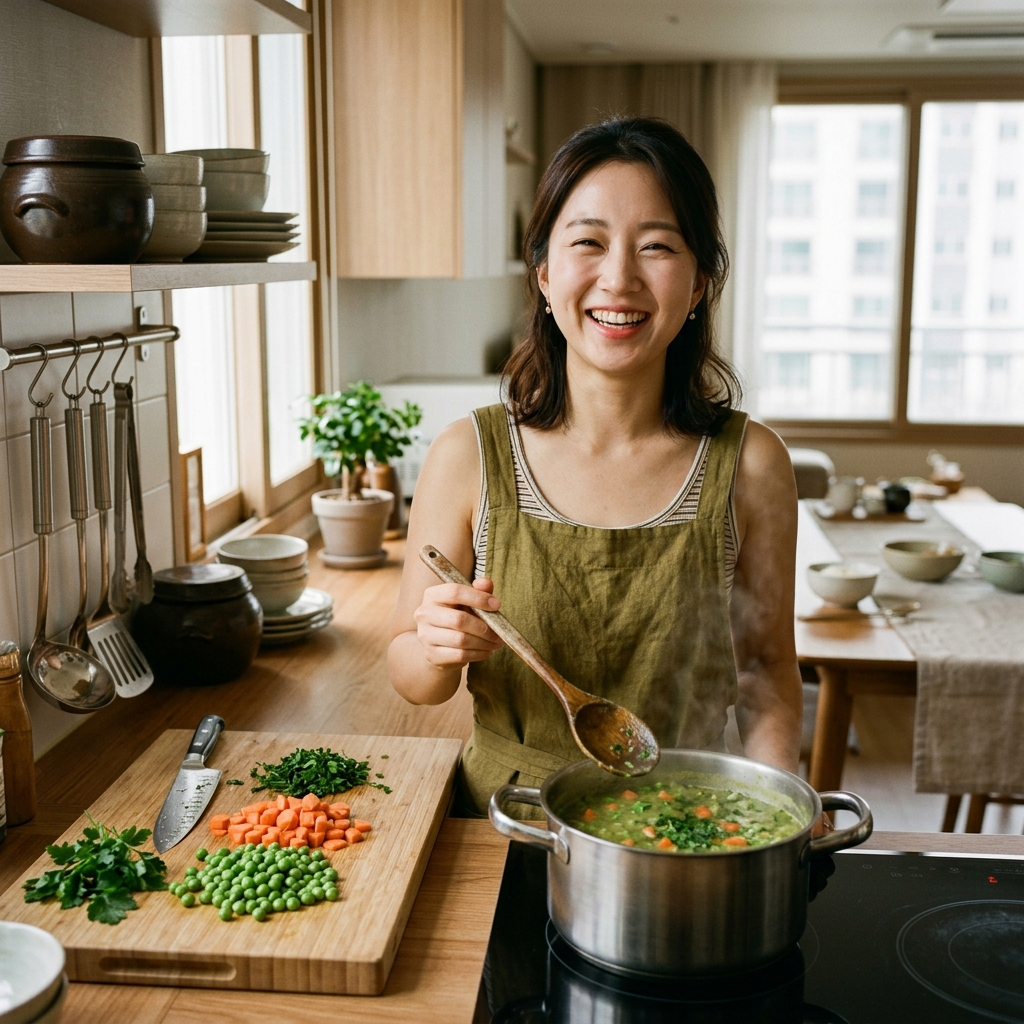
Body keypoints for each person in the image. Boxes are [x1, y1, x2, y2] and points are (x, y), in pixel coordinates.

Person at [388, 116, 802, 818]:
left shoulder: (751, 463)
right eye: (588, 242)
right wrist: (435, 645)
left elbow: (766, 672)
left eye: (657, 247)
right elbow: (412, 676)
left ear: (700, 280)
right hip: (505, 825)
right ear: (545, 273)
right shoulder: (467, 455)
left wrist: (778, 815)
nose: (619, 278)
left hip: (687, 824)